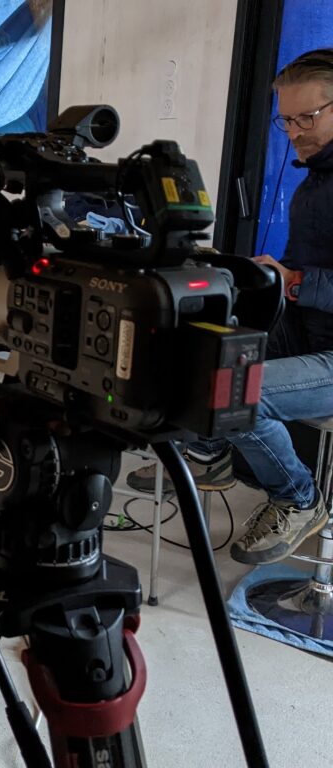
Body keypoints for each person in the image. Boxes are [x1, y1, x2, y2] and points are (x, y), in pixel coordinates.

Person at [128, 48, 333, 566]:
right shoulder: (317, 181)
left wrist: (293, 281)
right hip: (308, 331)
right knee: (201, 339)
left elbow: (307, 279)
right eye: (285, 120)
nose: (294, 132)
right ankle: (212, 453)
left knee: (239, 392)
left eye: (307, 117)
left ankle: (298, 498)